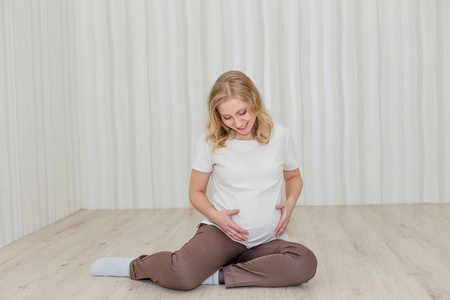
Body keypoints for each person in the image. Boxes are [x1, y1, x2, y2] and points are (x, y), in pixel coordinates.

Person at [91, 70, 317, 290]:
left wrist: (290, 202)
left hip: (267, 240)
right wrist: (216, 217)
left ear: (254, 101)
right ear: (218, 115)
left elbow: (293, 176)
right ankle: (135, 265)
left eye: (242, 112)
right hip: (224, 234)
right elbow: (196, 191)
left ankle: (215, 275)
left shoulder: (280, 135)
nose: (237, 122)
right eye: (227, 117)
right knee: (181, 274)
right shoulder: (210, 142)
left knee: (304, 262)